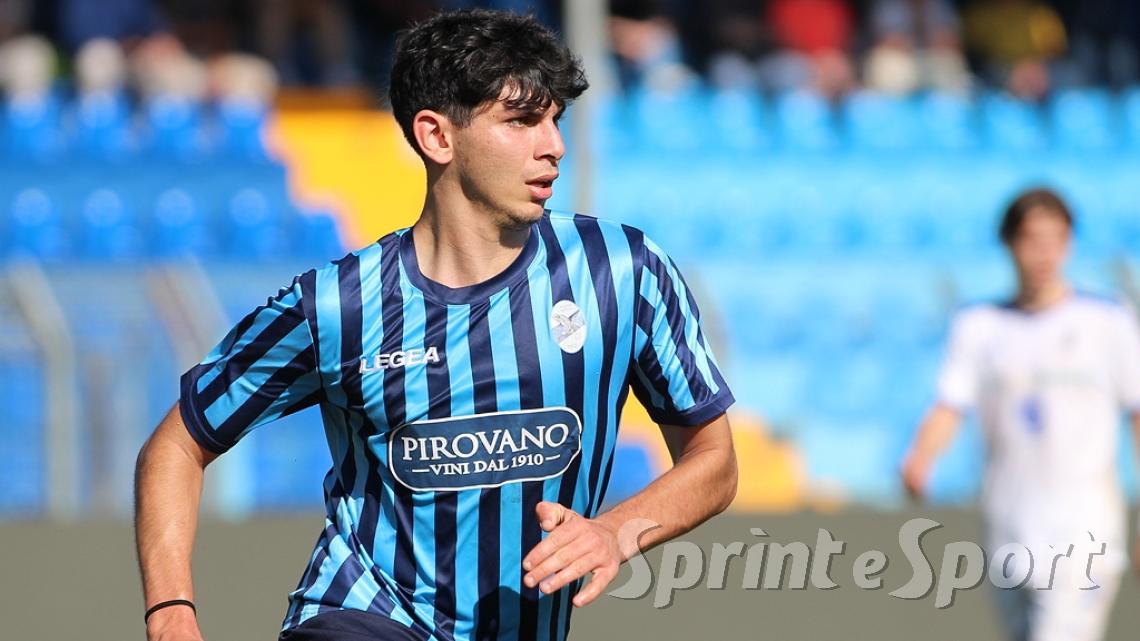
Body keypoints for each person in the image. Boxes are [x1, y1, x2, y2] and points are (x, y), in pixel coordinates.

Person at [134, 9, 738, 641]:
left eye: (555, 119)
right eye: (521, 120)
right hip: (363, 615)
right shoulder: (338, 305)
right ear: (436, 137)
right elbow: (176, 444)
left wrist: (614, 532)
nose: (553, 145)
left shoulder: (622, 271)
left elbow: (714, 460)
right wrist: (170, 611)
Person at [901, 188, 1140, 641]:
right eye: (1032, 239)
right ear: (1009, 243)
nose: (1044, 253)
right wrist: (920, 457)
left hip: (1083, 529)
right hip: (1008, 526)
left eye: (1056, 240)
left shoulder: (1107, 322)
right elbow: (950, 404)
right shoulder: (979, 325)